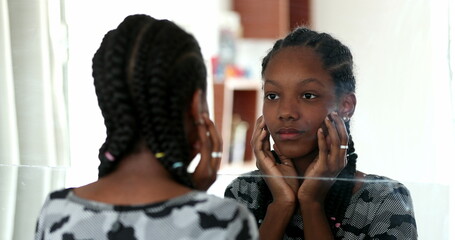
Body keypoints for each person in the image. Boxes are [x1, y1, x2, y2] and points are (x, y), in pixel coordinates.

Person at [34, 14, 258, 240]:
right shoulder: (225, 221)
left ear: (109, 102)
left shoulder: (55, 212)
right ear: (196, 104)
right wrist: (194, 195)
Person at [224, 26, 417, 240]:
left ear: (345, 106)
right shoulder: (243, 193)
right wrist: (281, 206)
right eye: (272, 96)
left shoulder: (385, 200)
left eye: (308, 95)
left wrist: (311, 203)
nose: (286, 112)